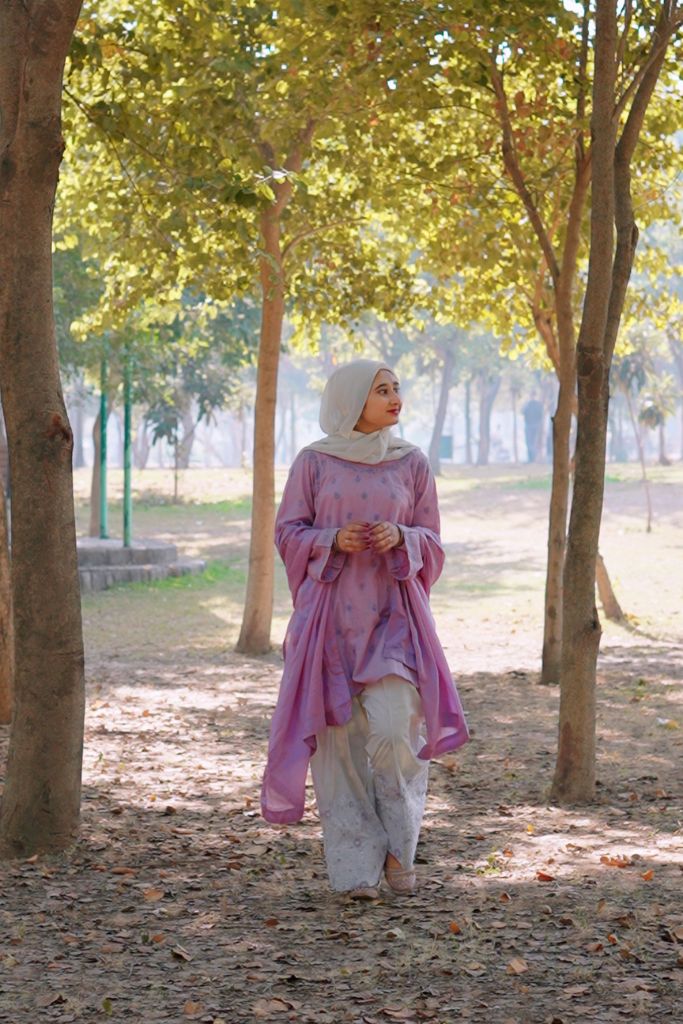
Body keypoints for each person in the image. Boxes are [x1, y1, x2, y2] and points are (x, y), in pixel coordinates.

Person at [261, 359, 469, 899]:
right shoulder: (314, 462)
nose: (395, 397)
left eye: (396, 387)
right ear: (353, 399)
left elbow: (434, 539)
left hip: (393, 617)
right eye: (382, 390)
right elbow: (288, 533)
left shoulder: (411, 463)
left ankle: (400, 847)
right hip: (329, 620)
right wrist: (332, 541)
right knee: (338, 745)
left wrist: (402, 537)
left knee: (396, 728)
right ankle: (356, 871)